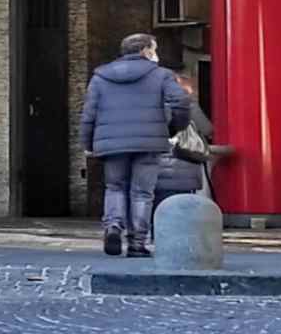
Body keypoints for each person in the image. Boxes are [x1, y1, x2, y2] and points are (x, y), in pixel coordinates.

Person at [81, 33, 191, 258]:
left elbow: (89, 113)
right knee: (142, 192)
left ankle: (113, 226)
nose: (156, 54)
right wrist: (172, 128)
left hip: (112, 142)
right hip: (149, 141)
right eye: (154, 49)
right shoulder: (162, 75)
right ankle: (137, 244)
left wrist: (87, 143)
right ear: (145, 51)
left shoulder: (100, 77)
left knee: (115, 187)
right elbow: (180, 102)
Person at [154, 66, 214, 216]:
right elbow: (207, 129)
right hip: (185, 164)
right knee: (182, 213)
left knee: (158, 211)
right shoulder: (187, 104)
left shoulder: (149, 103)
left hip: (155, 169)